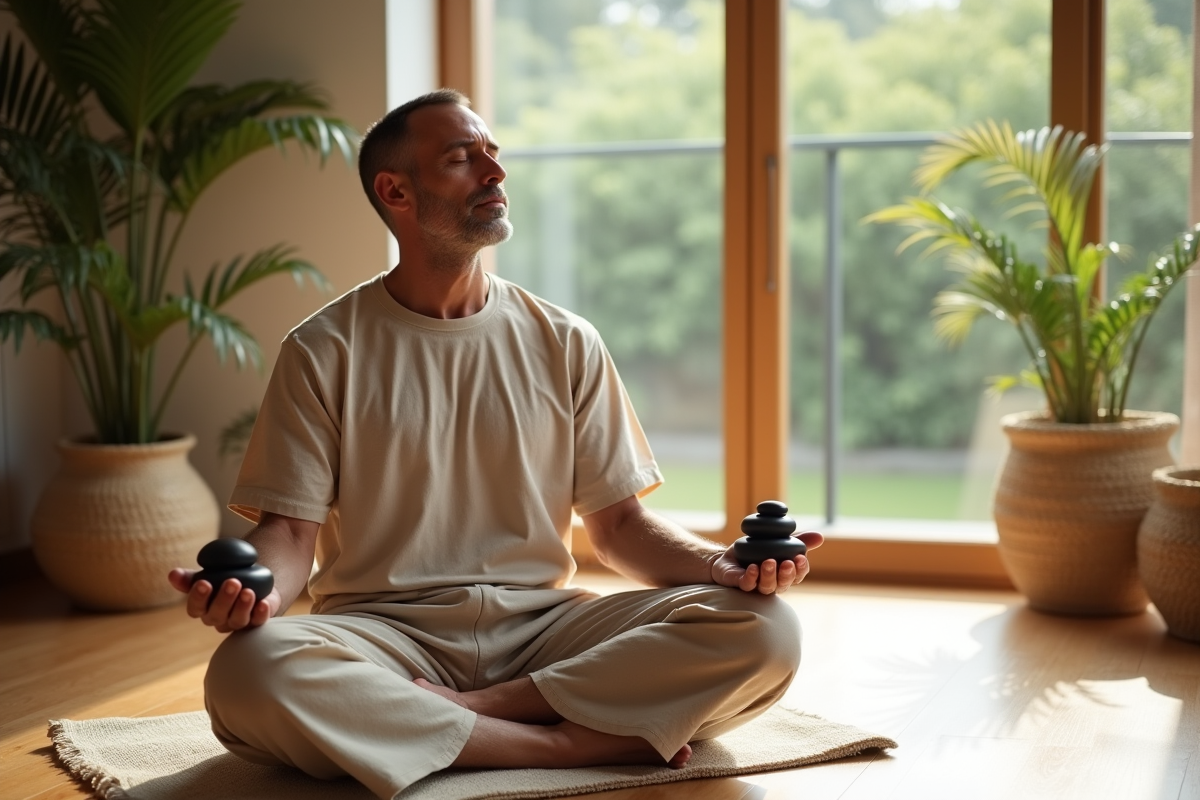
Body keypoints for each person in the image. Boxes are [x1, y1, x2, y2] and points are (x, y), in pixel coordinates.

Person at [168, 89, 824, 800]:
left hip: (543, 632)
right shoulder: (323, 349)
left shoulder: (566, 340)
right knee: (247, 673)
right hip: (385, 635)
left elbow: (620, 529)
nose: (494, 172)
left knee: (766, 632)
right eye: (461, 158)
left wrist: (720, 564)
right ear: (397, 192)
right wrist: (250, 595)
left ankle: (481, 720)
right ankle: (571, 744)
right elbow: (289, 535)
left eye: (492, 154)